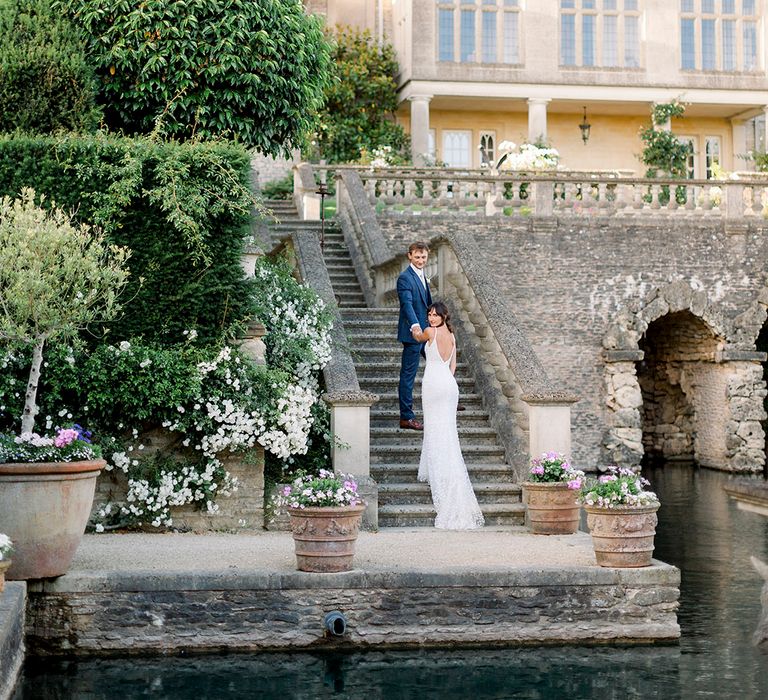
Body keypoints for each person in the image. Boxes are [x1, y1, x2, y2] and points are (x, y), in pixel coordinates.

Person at [411, 302, 484, 530]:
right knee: (448, 431)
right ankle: (440, 468)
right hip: (449, 384)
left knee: (434, 427)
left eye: (435, 315)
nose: (431, 318)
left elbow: (417, 338)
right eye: (429, 315)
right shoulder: (451, 335)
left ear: (443, 316)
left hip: (433, 384)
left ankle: (439, 472)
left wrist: (415, 325)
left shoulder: (430, 332)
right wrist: (447, 380)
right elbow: (452, 365)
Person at [397, 241, 431, 431]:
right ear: (409, 256)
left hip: (427, 333)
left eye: (423, 257)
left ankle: (448, 399)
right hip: (413, 334)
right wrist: (415, 325)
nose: (420, 260)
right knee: (408, 376)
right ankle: (406, 417)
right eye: (417, 257)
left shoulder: (422, 276)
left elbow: (426, 304)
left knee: (441, 362)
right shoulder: (405, 278)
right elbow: (407, 304)